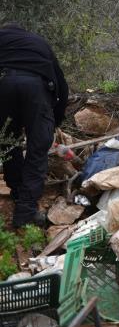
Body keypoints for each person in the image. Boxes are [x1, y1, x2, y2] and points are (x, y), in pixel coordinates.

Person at [0, 23, 68, 228]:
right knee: (36, 151)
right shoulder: (40, 43)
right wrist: (55, 121)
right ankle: (26, 212)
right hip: (36, 90)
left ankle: (18, 192)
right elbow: (62, 86)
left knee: (8, 144)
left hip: (3, 86)